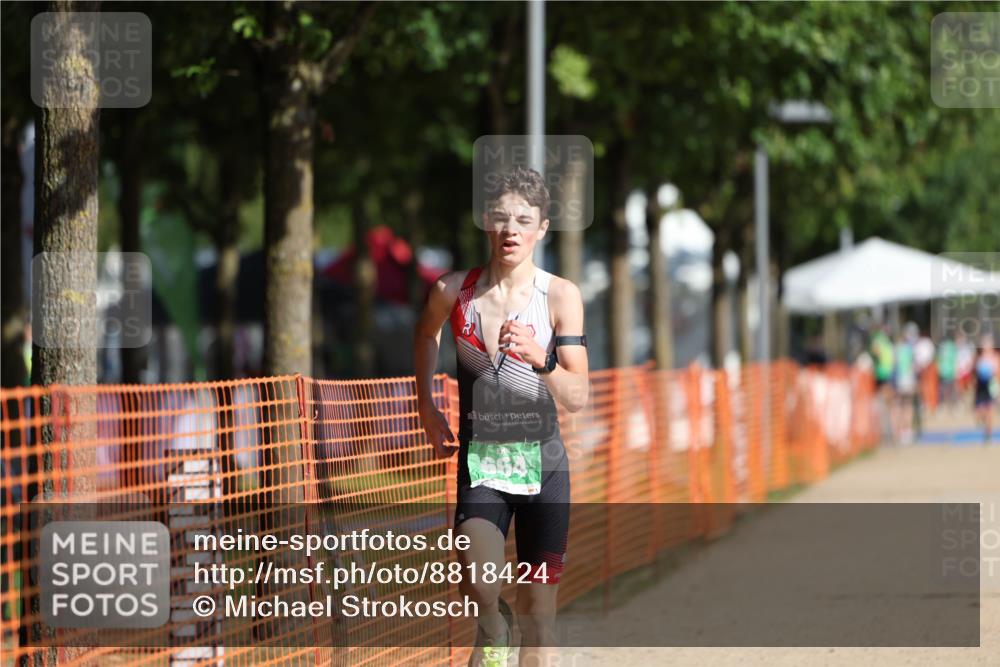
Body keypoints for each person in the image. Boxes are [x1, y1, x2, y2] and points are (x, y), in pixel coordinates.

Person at [413, 167, 589, 667]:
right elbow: (426, 335)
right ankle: (493, 625)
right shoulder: (454, 291)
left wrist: (543, 358)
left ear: (542, 228)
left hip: (545, 467)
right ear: (485, 223)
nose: (511, 229)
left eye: (524, 220)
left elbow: (577, 396)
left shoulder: (559, 297)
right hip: (482, 463)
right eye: (501, 217)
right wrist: (426, 402)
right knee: (478, 582)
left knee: (541, 613)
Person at [973, 334, 999, 443]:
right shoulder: (978, 357)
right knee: (979, 411)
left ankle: (988, 433)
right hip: (980, 386)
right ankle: (984, 422)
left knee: (990, 410)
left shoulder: (995, 357)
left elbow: (998, 372)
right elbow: (974, 372)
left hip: (991, 385)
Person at [936, 334, 959, 410]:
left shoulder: (943, 347)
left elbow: (939, 360)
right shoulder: (951, 347)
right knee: (949, 389)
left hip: (945, 372)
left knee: (946, 389)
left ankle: (946, 405)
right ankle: (952, 405)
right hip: (948, 372)